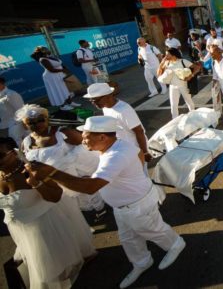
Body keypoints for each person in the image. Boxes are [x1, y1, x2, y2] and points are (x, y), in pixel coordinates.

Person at [25, 116, 186, 289]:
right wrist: (125, 177)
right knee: (128, 238)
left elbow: (90, 187)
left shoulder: (115, 156)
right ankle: (142, 262)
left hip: (136, 205)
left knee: (153, 230)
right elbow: (138, 154)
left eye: (86, 135)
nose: (82, 139)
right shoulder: (117, 144)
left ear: (102, 137)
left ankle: (175, 244)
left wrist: (52, 173)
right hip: (124, 205)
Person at [0, 137, 96, 289]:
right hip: (19, 228)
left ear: (13, 153)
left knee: (49, 267)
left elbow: (56, 196)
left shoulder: (33, 170)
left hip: (43, 225)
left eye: (0, 155)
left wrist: (36, 184)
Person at [16, 104, 105, 216]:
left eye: (40, 120)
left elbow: (90, 151)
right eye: (31, 123)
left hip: (77, 178)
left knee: (90, 203)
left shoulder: (63, 134)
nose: (37, 124)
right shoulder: (26, 142)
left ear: (47, 119)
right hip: (55, 184)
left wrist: (88, 175)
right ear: (25, 125)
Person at [84, 83, 152, 164]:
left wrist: (144, 152)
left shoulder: (124, 110)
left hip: (135, 150)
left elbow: (139, 131)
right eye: (91, 101)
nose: (94, 103)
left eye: (96, 100)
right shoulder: (105, 107)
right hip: (123, 151)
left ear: (109, 95)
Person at [31, 46, 79, 110]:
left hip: (59, 75)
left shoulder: (49, 57)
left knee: (65, 89)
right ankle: (62, 106)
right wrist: (62, 70)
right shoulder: (42, 59)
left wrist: (65, 69)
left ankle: (70, 102)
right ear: (42, 51)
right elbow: (51, 70)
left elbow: (60, 64)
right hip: (51, 77)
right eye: (46, 49)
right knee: (57, 90)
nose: (48, 49)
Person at [157, 48, 200, 119]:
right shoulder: (166, 63)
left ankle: (194, 116)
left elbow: (197, 67)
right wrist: (161, 63)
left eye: (168, 55)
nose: (165, 56)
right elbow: (158, 74)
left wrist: (191, 76)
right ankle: (175, 120)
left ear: (174, 55)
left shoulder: (183, 61)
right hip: (172, 86)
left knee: (189, 101)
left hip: (184, 85)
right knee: (173, 105)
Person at [0, 77, 26, 146]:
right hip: (4, 128)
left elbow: (21, 110)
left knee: (20, 146)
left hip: (15, 127)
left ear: (1, 84)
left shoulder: (11, 94)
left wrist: (24, 126)